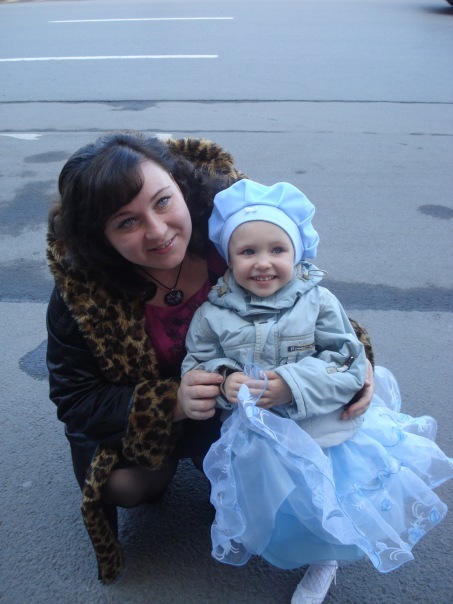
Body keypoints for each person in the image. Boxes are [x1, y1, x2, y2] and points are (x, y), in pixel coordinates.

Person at [46, 131, 375, 585]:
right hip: (186, 405)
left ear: (181, 186)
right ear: (100, 238)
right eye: (126, 222)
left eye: (163, 201)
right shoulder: (84, 293)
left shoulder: (231, 234)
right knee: (127, 485)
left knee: (309, 445)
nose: (157, 231)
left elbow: (307, 303)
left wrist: (359, 360)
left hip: (250, 398)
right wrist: (173, 403)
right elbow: (76, 399)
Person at [182, 179, 453, 604]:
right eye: (248, 252)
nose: (263, 263)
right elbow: (196, 365)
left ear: (297, 253)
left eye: (277, 249)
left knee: (328, 499)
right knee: (284, 505)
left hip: (322, 433)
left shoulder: (319, 301)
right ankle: (300, 545)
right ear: (228, 258)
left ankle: (326, 559)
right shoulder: (212, 313)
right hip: (260, 441)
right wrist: (225, 380)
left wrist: (293, 385)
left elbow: (349, 361)